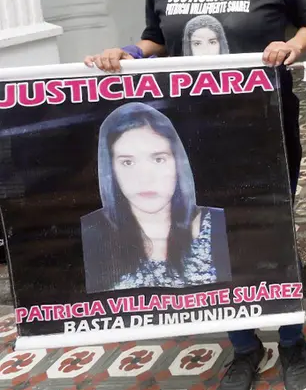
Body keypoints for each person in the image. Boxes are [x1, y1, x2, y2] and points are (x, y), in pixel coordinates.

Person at [83, 0, 306, 390]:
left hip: (264, 131)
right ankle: (243, 346)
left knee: (267, 229)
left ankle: (291, 338)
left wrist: (293, 46)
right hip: (189, 137)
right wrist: (123, 53)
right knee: (208, 234)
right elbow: (154, 38)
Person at [82, 102, 231, 293]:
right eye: (127, 162)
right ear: (110, 170)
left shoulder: (220, 224)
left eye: (158, 159)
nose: (145, 178)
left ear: (178, 162)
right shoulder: (89, 232)